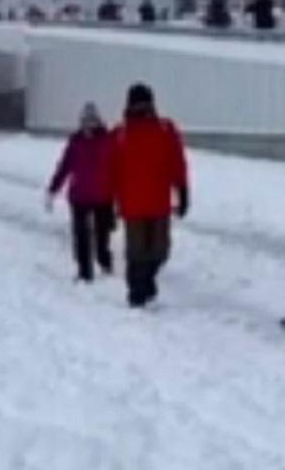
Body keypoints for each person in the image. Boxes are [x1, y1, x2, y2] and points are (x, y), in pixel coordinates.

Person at [110, 83, 190, 308]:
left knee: (159, 252)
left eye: (145, 102)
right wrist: (108, 201)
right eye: (138, 103)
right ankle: (137, 292)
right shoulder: (120, 134)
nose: (142, 107)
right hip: (132, 204)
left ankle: (146, 282)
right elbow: (110, 170)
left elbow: (177, 162)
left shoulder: (165, 129)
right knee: (137, 253)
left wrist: (182, 190)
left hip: (158, 202)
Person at [46, 102, 116, 282]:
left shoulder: (107, 140)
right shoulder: (75, 142)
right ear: (81, 122)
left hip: (103, 196)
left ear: (98, 121)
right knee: (81, 236)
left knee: (103, 235)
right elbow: (65, 166)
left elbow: (117, 167)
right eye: (86, 121)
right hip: (80, 197)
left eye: (92, 121)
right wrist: (53, 188)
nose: (89, 125)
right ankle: (84, 272)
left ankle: (104, 261)